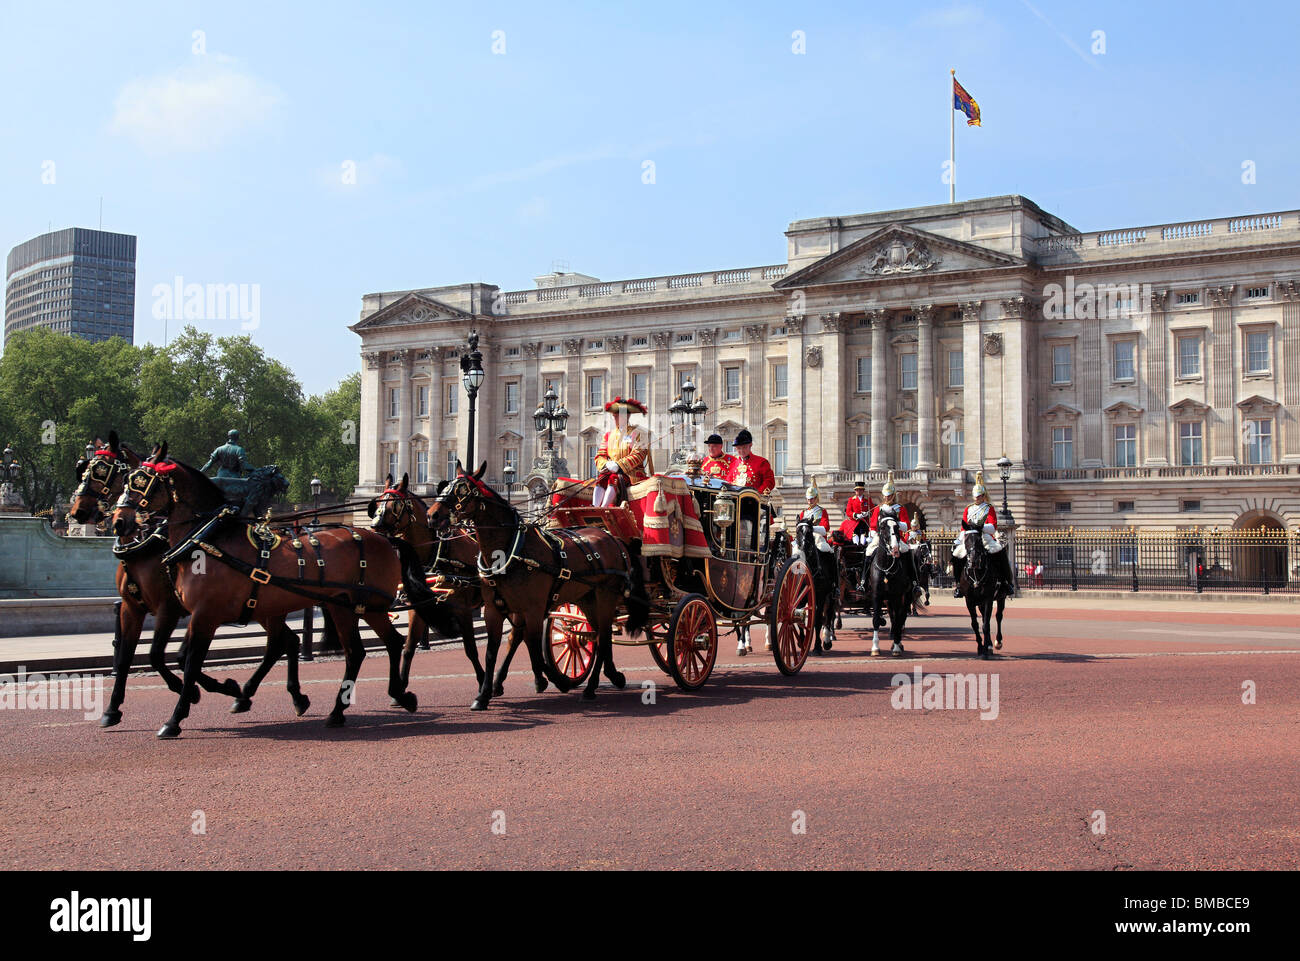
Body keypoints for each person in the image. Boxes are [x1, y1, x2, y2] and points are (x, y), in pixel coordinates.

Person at [863, 472, 924, 609]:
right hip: (881, 537)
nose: (887, 498)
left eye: (889, 496)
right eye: (885, 496)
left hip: (896, 537)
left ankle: (914, 584)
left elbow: (906, 525)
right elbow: (873, 526)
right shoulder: (878, 509)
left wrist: (895, 523)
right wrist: (873, 533)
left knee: (908, 552)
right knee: (868, 552)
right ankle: (863, 581)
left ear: (893, 495)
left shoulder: (899, 508)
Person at [950, 472, 1015, 599]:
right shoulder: (968, 508)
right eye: (975, 496)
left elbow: (993, 526)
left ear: (983, 496)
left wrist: (981, 527)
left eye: (979, 496)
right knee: (956, 555)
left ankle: (1006, 582)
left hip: (984, 536)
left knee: (999, 551)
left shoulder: (988, 508)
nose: (977, 499)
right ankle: (958, 584)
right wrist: (959, 540)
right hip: (970, 536)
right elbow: (964, 527)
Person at [593, 397, 652, 507]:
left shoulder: (637, 433)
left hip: (631, 473)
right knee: (601, 479)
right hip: (611, 471)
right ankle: (595, 507)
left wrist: (619, 465)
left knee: (613, 479)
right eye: (614, 415)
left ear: (627, 416)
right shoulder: (608, 435)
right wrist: (606, 464)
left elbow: (639, 454)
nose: (615, 417)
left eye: (618, 414)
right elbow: (600, 455)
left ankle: (603, 507)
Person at [722, 429, 775, 494]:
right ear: (735, 448)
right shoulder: (733, 463)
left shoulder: (761, 462)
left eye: (744, 447)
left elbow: (769, 481)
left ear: (750, 445)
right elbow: (728, 481)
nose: (741, 451)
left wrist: (757, 494)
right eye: (739, 448)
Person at [838, 480, 874, 545]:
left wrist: (867, 513)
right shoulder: (851, 500)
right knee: (855, 534)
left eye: (860, 490)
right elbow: (848, 512)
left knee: (864, 534)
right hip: (855, 522)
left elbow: (872, 510)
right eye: (857, 490)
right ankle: (856, 545)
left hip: (864, 521)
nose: (858, 492)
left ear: (863, 491)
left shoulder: (867, 499)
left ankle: (863, 545)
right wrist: (856, 515)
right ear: (855, 491)